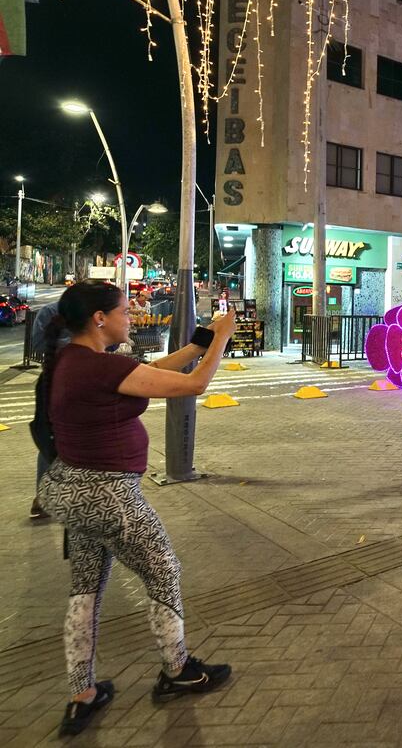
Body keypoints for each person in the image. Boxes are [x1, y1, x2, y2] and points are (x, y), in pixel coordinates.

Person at [35, 283, 238, 736]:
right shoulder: (95, 367)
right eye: (125, 312)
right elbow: (194, 384)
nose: (133, 316)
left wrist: (198, 342)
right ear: (99, 319)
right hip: (108, 497)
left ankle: (81, 691)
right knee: (163, 570)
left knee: (86, 588)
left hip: (73, 493)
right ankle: (177, 670)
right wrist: (223, 336)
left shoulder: (74, 360)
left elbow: (146, 372)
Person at [28, 299, 72, 520]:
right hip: (54, 379)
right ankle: (44, 497)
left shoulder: (95, 311)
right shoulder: (51, 312)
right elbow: (37, 344)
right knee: (51, 440)